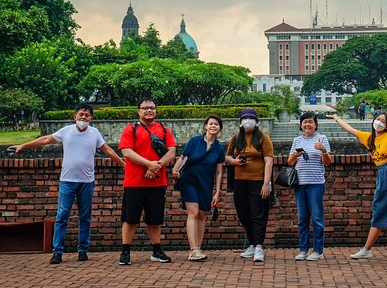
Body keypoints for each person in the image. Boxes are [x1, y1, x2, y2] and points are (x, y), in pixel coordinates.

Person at [10, 103, 125, 264]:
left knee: (84, 217)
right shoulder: (66, 131)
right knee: (62, 217)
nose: (83, 117)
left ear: (91, 118)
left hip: (87, 182)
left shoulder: (95, 133)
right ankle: (57, 251)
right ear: (75, 116)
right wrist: (23, 145)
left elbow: (108, 151)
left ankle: (83, 250)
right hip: (67, 181)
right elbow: (46, 139)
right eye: (81, 114)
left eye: (87, 115)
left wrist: (124, 165)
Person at [327, 112, 387, 261]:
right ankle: (367, 249)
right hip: (383, 175)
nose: (379, 122)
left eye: (383, 120)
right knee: (378, 209)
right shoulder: (369, 138)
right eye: (378, 119)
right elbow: (350, 130)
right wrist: (337, 118)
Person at [117, 99, 177, 265]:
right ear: (138, 111)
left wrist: (155, 166)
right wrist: (149, 164)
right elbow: (127, 152)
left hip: (157, 182)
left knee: (155, 219)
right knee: (130, 218)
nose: (149, 110)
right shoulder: (131, 129)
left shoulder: (164, 130)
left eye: (152, 108)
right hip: (134, 182)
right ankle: (125, 251)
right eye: (145, 108)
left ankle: (157, 250)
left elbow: (172, 151)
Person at [171, 114, 226, 261]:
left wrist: (217, 192)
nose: (213, 126)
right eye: (211, 123)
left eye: (216, 124)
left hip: (206, 183)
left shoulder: (219, 149)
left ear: (220, 129)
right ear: (205, 126)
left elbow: (219, 172)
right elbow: (183, 158)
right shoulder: (194, 141)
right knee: (193, 213)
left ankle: (198, 247)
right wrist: (175, 170)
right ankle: (193, 249)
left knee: (202, 215)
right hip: (189, 180)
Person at [225, 108, 274, 262]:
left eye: (251, 118)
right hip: (240, 181)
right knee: (243, 213)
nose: (248, 121)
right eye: (245, 118)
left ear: (256, 121)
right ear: (240, 122)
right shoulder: (236, 138)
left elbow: (269, 160)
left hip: (258, 180)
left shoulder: (262, 138)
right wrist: (235, 161)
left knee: (258, 213)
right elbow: (227, 157)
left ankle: (259, 246)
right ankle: (252, 243)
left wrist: (266, 183)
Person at [288, 112, 333, 262]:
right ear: (301, 125)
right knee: (302, 218)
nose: (307, 125)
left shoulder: (322, 139)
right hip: (300, 184)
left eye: (310, 122)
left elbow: (328, 162)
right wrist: (295, 155)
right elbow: (290, 162)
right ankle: (303, 250)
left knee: (317, 218)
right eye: (305, 122)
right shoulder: (297, 140)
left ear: (315, 124)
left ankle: (318, 250)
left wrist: (323, 150)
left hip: (316, 183)